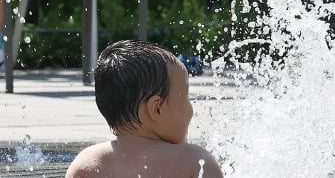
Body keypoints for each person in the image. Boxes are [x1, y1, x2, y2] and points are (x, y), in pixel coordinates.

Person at [66, 40, 223, 178]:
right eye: (186, 98)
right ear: (157, 109)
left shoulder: (88, 163)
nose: (191, 108)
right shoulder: (196, 161)